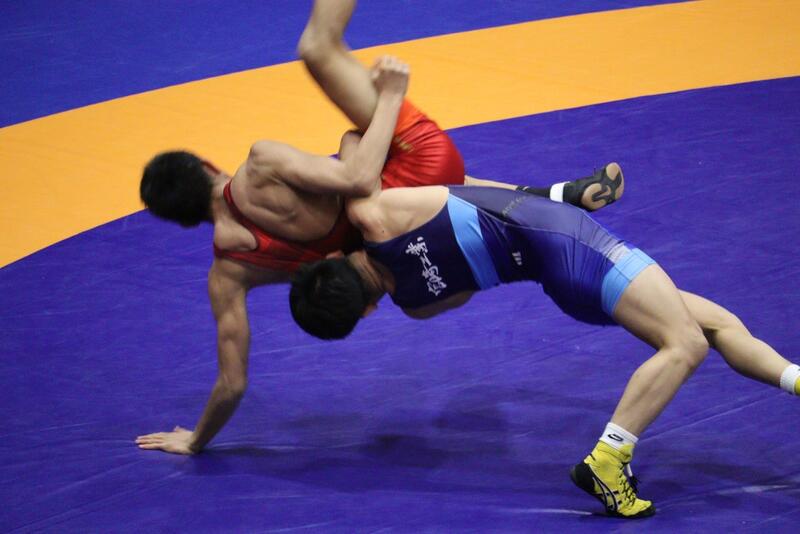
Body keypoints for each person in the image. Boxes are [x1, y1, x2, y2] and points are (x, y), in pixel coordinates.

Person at [135, 0, 624, 455]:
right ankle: (552, 199)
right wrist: (389, 98)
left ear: (183, 221)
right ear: (206, 164)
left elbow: (233, 382)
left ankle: (555, 198)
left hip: (415, 235)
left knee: (436, 194)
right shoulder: (259, 168)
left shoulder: (227, 274)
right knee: (318, 48)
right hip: (412, 177)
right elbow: (358, 178)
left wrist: (196, 440)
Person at [290, 182, 800, 518]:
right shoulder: (374, 210)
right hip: (575, 244)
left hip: (565, 282)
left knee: (715, 325)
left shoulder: (414, 304)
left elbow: (466, 279)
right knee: (685, 343)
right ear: (334, 254)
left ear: (366, 311)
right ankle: (608, 458)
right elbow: (369, 162)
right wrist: (388, 96)